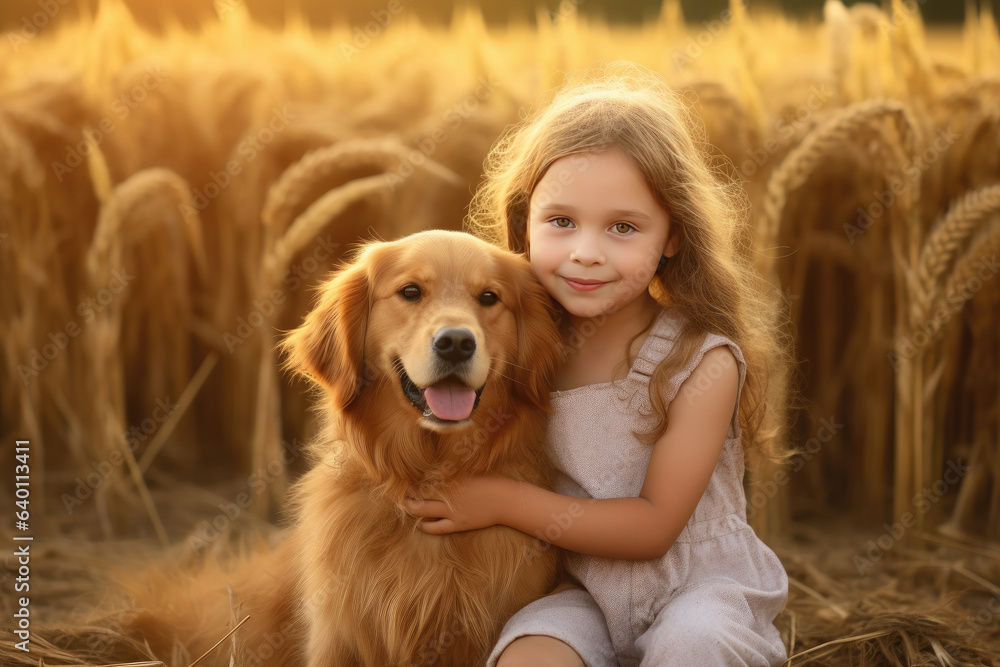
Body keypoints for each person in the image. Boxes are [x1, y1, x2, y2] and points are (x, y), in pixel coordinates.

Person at [405, 61, 798, 667]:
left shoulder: (700, 362)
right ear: (524, 221)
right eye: (561, 222)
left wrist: (502, 502)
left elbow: (652, 528)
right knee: (527, 656)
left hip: (695, 587)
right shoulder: (519, 345)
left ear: (673, 235)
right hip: (581, 588)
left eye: (622, 227)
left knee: (693, 646)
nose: (585, 254)